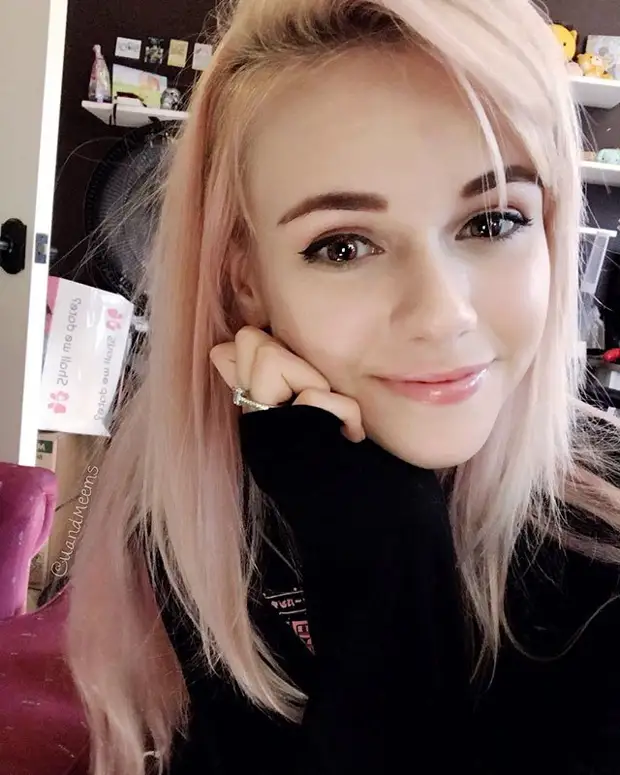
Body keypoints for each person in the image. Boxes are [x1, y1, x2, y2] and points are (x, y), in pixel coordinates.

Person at [65, 0, 620, 773]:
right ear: (246, 279)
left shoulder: (599, 567)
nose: (442, 315)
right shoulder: (200, 515)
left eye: (492, 221)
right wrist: (370, 537)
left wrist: (387, 555)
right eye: (344, 245)